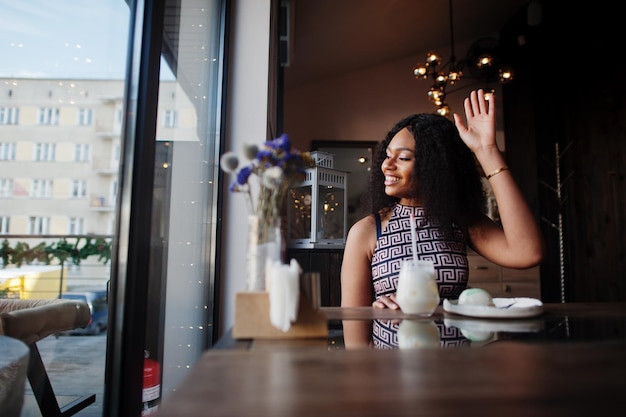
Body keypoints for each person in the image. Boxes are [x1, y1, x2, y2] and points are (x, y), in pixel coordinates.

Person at [340, 89, 545, 348]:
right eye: (387, 154)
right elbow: (356, 346)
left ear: (434, 166)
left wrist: (487, 150)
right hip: (391, 380)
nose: (386, 165)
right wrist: (375, 310)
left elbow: (528, 252)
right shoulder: (369, 231)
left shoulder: (459, 220)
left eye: (402, 157)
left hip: (455, 375)